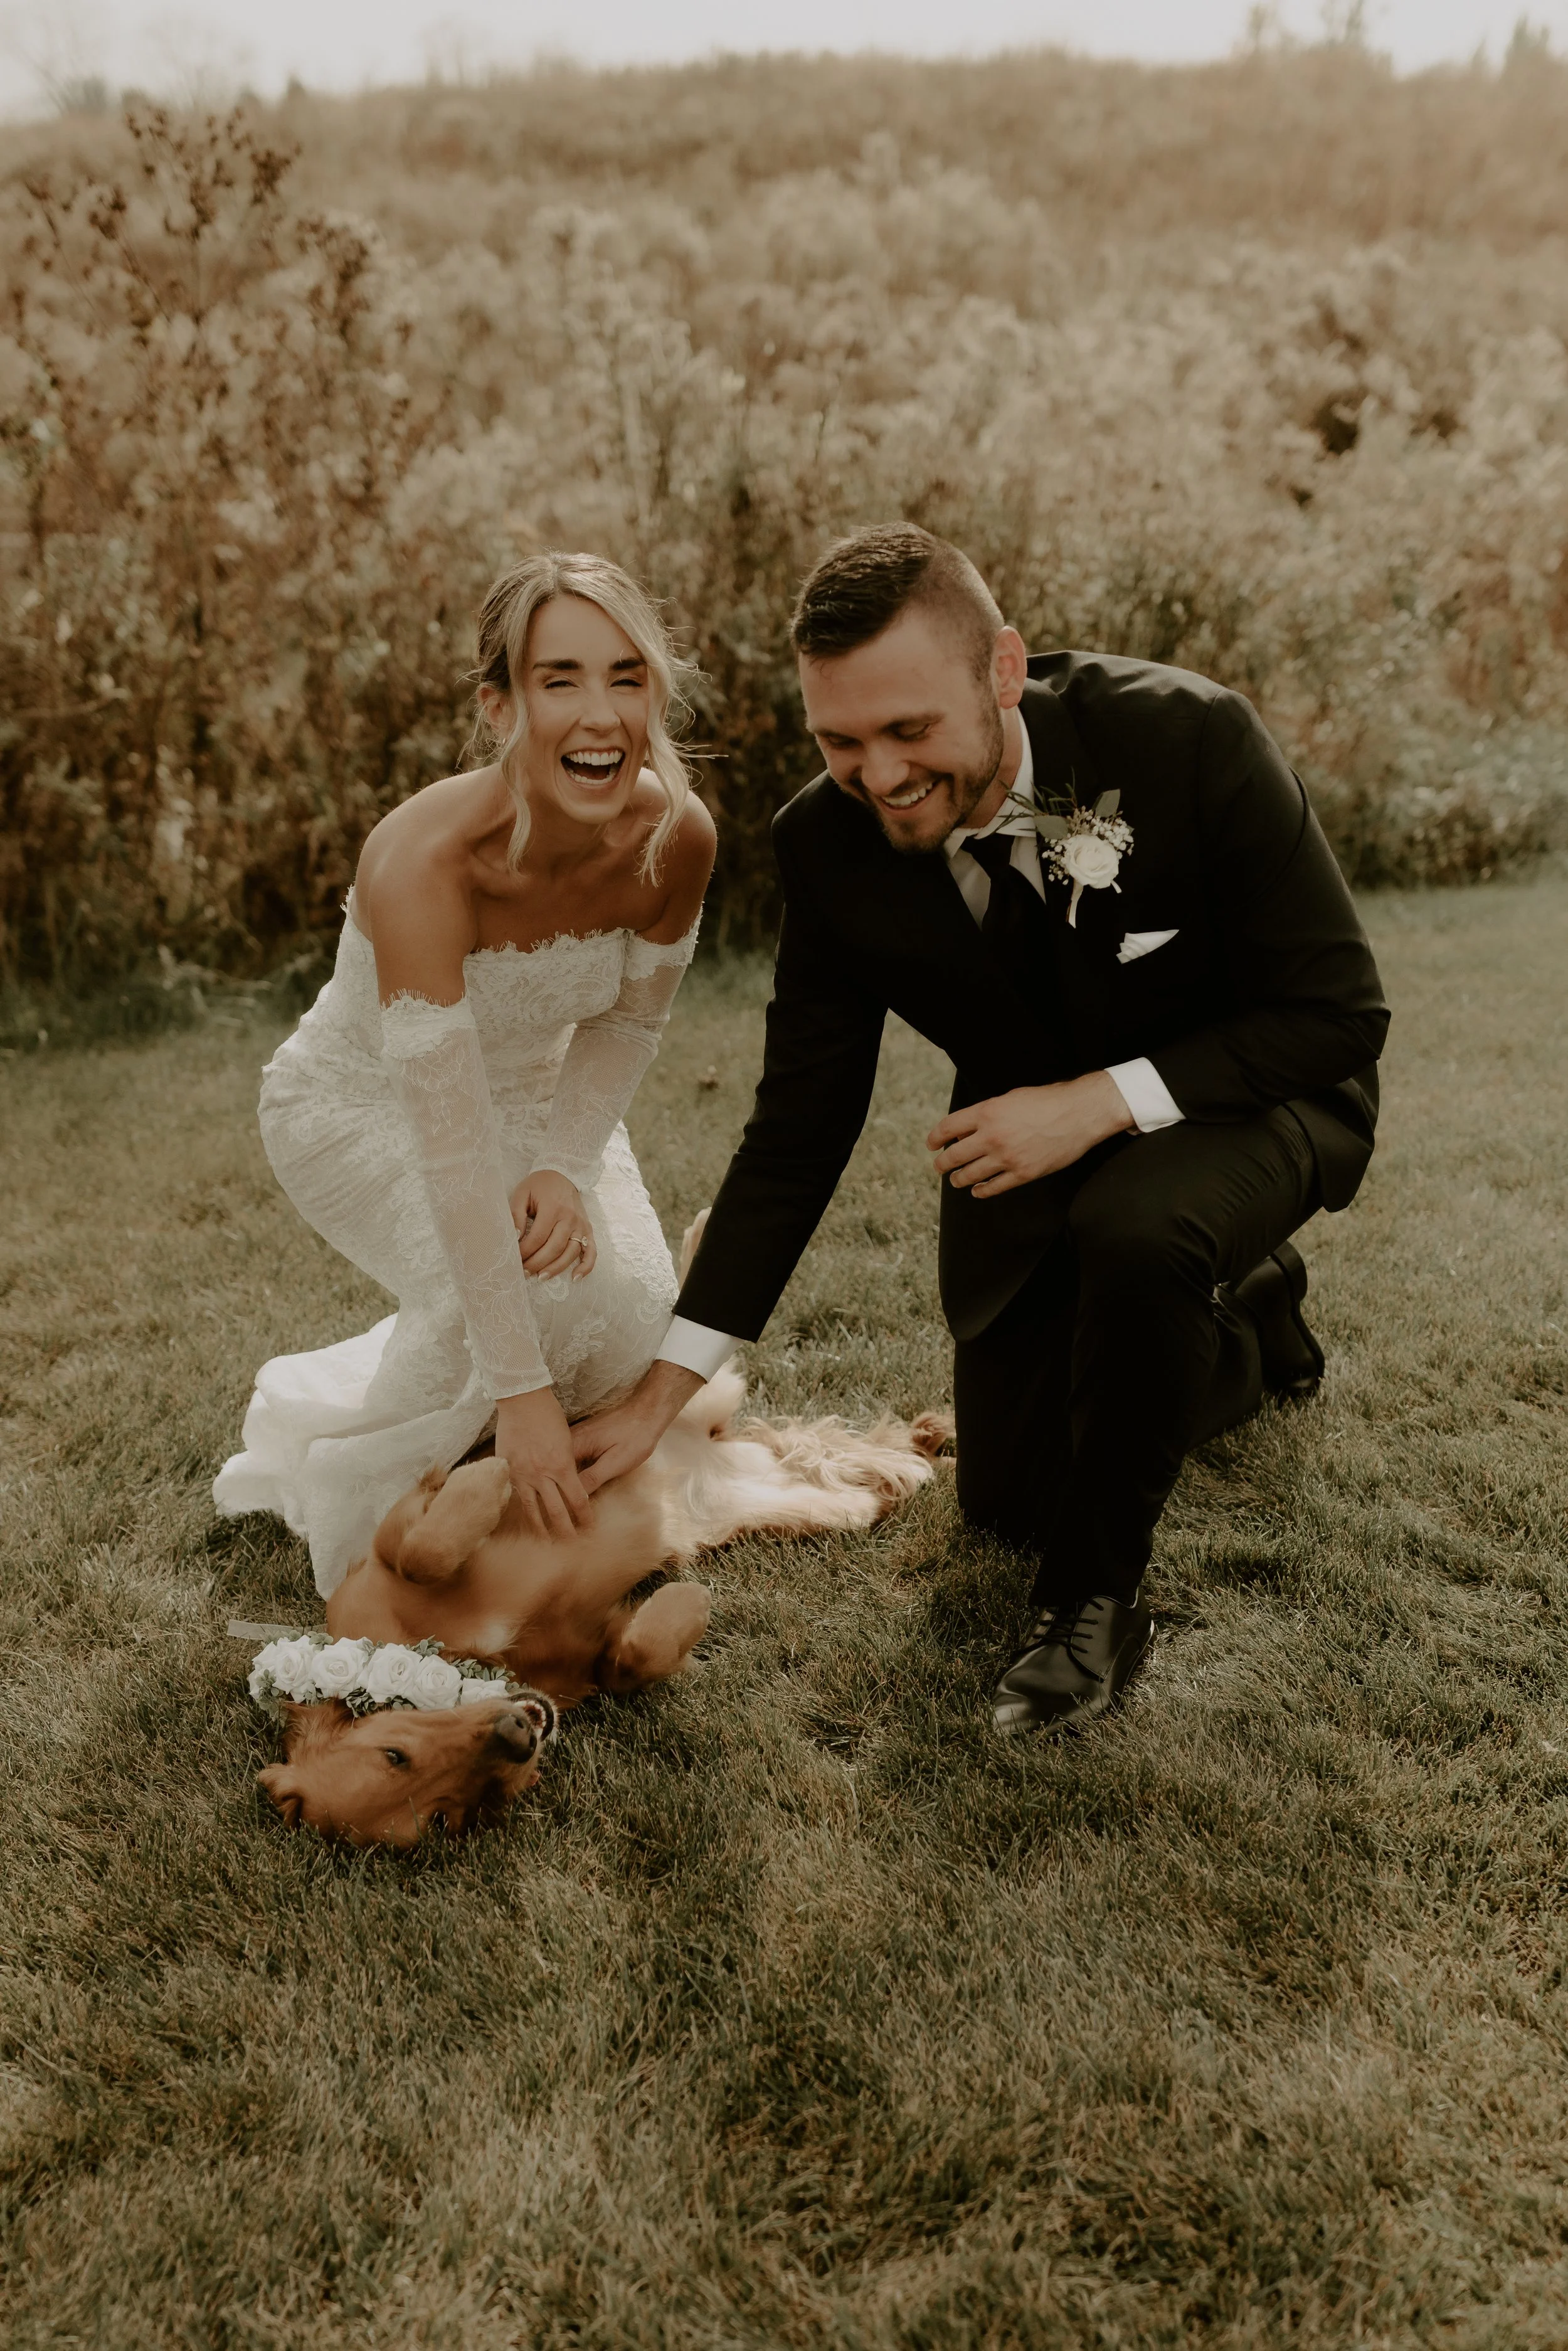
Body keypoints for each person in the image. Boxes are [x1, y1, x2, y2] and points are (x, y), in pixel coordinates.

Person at [569, 523, 1389, 1738]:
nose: (880, 774)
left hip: (1253, 1097)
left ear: (1002, 669)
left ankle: (1089, 1609)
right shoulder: (823, 845)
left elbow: (1336, 1014)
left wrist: (1100, 1101)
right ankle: (1246, 1322)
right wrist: (660, 1391)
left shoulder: (1184, 738)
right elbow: (798, 1128)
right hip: (1027, 1153)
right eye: (839, 740)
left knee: (1140, 1228)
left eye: (909, 731)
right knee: (1008, 1494)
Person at [214, 551, 715, 1598]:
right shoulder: (421, 860)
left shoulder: (678, 836)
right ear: (499, 708)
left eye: (627, 677)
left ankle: (522, 1499)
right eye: (559, 679)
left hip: (541, 1100)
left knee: (629, 1331)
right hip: (363, 1104)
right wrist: (524, 1395)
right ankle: (384, 1531)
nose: (602, 715)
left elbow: (627, 1024)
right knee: (520, 1314)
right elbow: (450, 1147)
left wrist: (566, 1165)